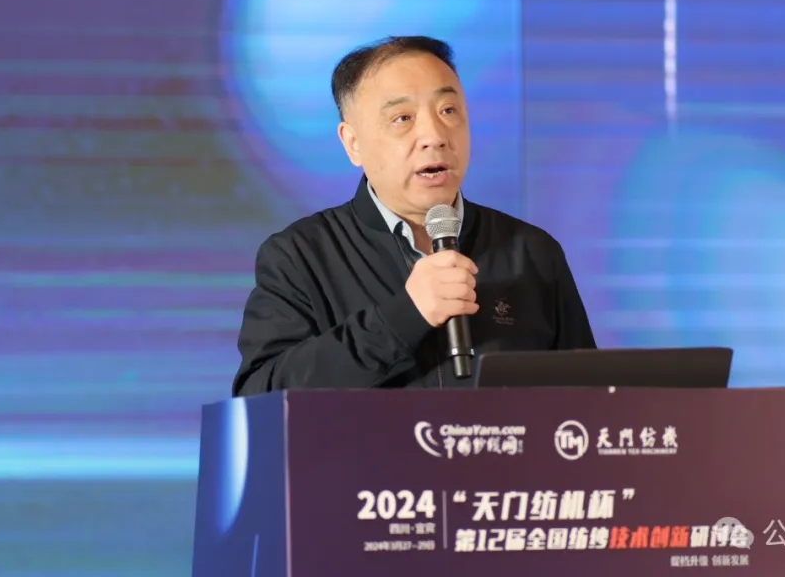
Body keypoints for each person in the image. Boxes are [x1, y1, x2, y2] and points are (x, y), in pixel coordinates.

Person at [231, 36, 596, 394]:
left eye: (448, 111)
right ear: (353, 143)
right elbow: (260, 396)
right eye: (402, 118)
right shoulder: (299, 256)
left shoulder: (531, 251)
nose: (434, 136)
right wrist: (405, 316)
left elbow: (589, 400)